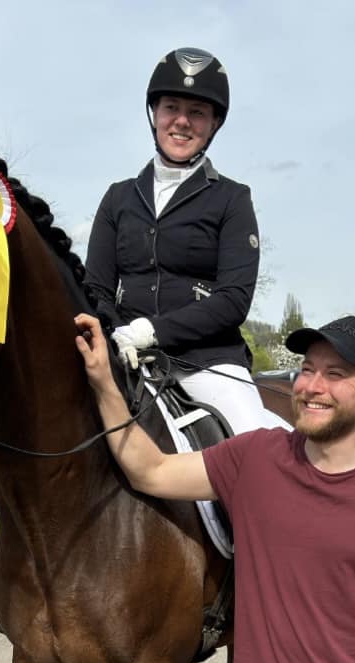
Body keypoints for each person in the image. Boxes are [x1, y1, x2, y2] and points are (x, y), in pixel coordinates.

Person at [74, 311, 355, 663]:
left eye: (336, 374)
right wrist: (104, 380)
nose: (313, 385)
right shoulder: (255, 458)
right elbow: (149, 471)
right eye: (307, 369)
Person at [84, 46, 270, 433]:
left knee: (255, 451)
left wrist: (152, 331)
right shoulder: (118, 197)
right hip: (125, 357)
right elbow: (96, 288)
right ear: (155, 114)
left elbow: (234, 300)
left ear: (214, 123)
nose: (182, 122)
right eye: (171, 107)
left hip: (208, 363)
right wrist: (117, 333)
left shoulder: (232, 199)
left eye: (197, 112)